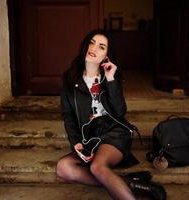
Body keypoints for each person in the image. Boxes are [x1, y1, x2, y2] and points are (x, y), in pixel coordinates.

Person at [56, 29, 166, 200]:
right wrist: (76, 142)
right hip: (90, 138)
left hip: (114, 132)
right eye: (91, 42)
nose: (94, 48)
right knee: (63, 168)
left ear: (107, 55)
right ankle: (130, 182)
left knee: (97, 167)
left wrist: (110, 80)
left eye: (101, 47)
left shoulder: (111, 77)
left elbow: (119, 112)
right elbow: (68, 116)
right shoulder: (69, 79)